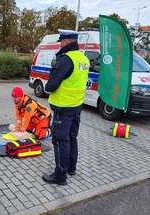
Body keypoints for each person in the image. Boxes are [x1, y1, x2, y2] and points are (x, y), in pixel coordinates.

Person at [42, 29, 90, 185]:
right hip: (76, 106)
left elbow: (50, 86)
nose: (60, 45)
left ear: (66, 42)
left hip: (63, 108)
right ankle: (71, 168)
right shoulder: (83, 59)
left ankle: (60, 175)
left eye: (61, 42)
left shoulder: (65, 60)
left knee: (60, 141)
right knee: (71, 137)